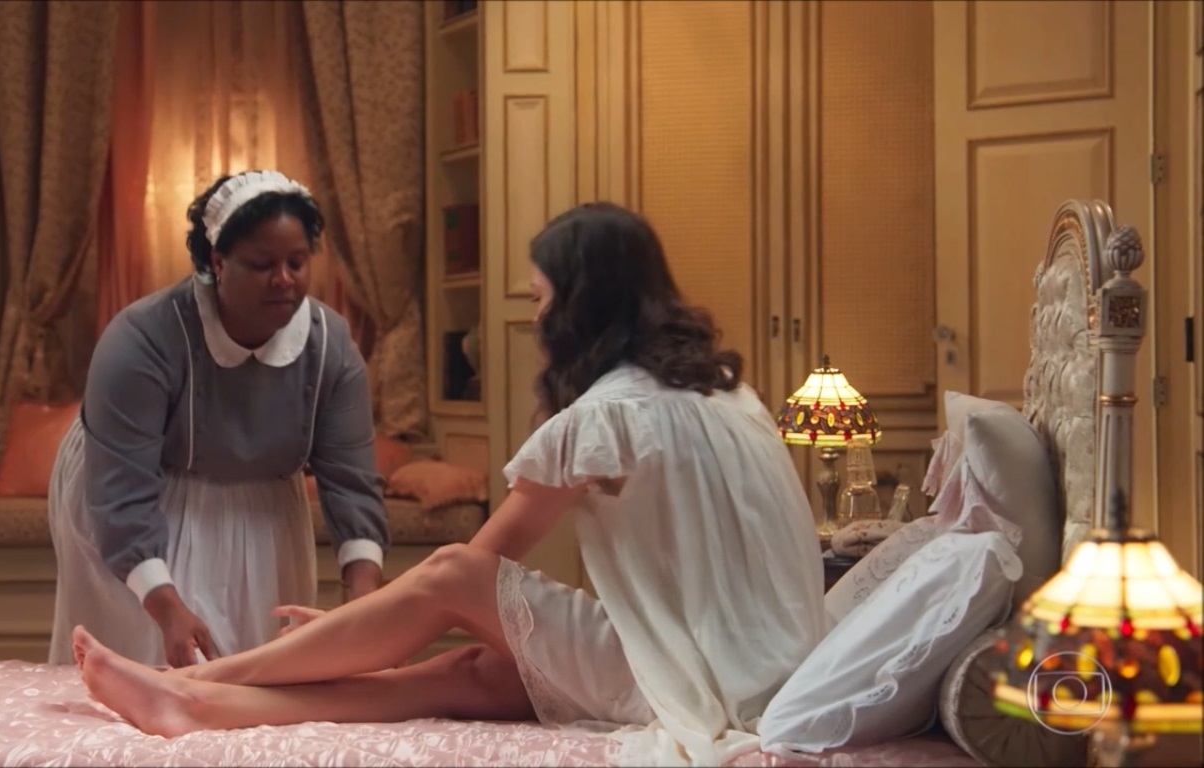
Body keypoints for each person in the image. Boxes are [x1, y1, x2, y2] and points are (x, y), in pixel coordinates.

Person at [71, 202, 828, 765]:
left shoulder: (608, 416)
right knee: (473, 674)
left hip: (699, 676)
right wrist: (365, 629)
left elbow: (469, 572)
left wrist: (359, 632)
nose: (538, 320)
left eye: (540, 300)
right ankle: (211, 709)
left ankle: (198, 683)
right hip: (769, 669)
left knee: (455, 577)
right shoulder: (728, 393)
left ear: (580, 307)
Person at [48, 170, 389, 669]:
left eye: (297, 262)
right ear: (217, 261)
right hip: (136, 481)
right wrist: (167, 608)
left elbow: (351, 481)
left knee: (256, 664)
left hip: (263, 496)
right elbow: (122, 495)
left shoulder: (330, 348)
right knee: (142, 661)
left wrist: (366, 606)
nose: (284, 279)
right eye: (262, 264)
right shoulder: (142, 339)